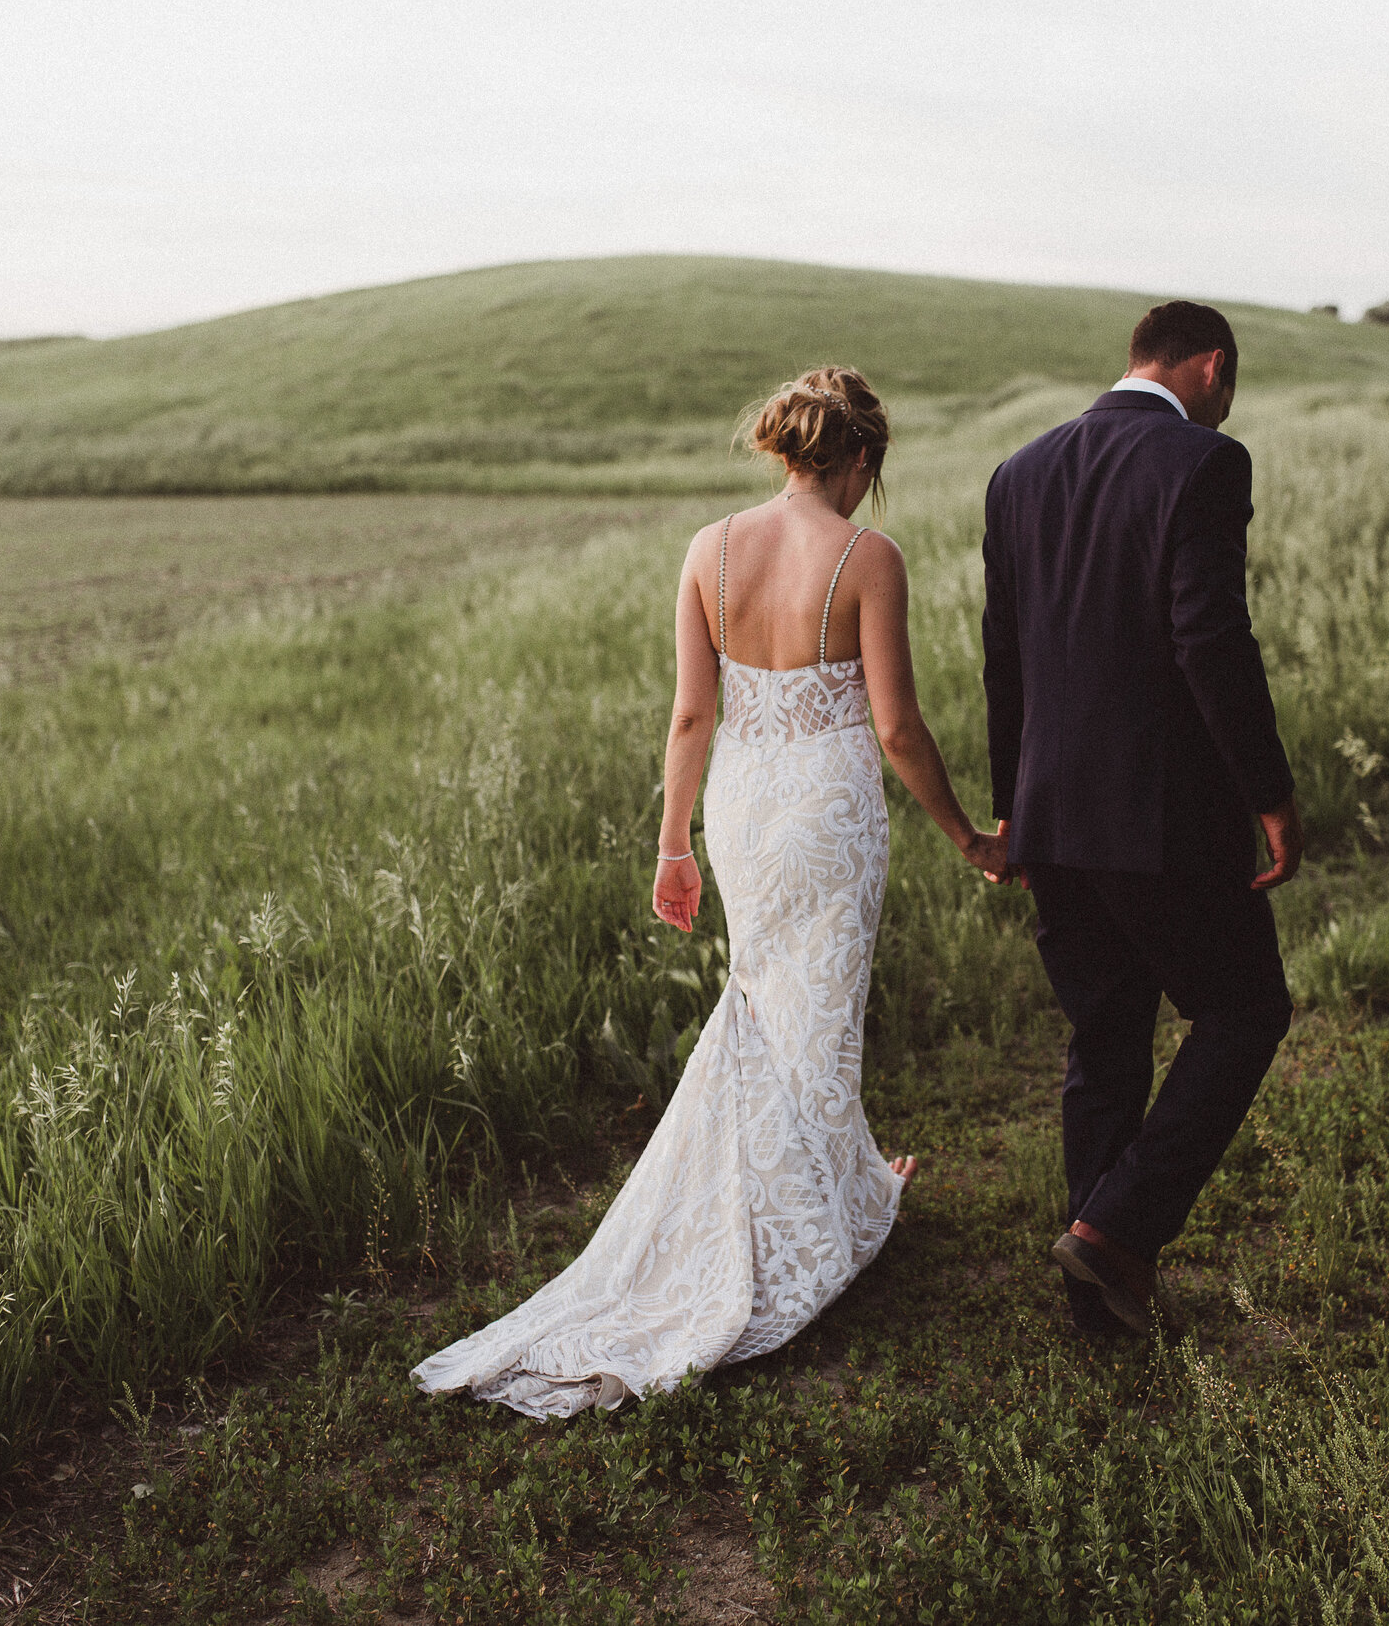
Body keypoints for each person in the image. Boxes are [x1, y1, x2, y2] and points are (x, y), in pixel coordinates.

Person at [413, 367, 1006, 1416]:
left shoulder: (708, 549)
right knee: (820, 1013)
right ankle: (811, 1231)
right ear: (861, 458)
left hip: (741, 802)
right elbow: (898, 728)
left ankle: (845, 1184)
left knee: (761, 999)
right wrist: (965, 832)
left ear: (786, 449)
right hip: (827, 808)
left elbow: (692, 715)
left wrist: (670, 844)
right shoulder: (870, 557)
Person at [980, 301, 1301, 1337]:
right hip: (1159, 816)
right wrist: (1267, 792)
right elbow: (1210, 636)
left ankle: (1101, 1305)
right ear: (1209, 365)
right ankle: (1116, 1228)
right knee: (1245, 1009)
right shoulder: (1204, 462)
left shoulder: (1017, 471)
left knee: (1106, 1032)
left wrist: (1011, 808)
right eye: (1229, 381)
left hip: (1050, 812)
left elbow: (1004, 655)